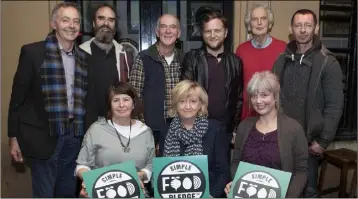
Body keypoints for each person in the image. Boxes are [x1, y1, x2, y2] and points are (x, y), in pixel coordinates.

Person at [8, 2, 87, 197]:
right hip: (42, 136)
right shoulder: (33, 53)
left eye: (76, 21)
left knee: (67, 191)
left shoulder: (84, 58)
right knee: (44, 193)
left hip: (73, 135)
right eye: (65, 20)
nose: (71, 25)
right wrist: (13, 136)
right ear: (54, 23)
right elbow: (18, 98)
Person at [272, 9, 344, 198]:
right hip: (282, 138)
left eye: (308, 25)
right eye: (298, 25)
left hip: (310, 142)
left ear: (316, 28)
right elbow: (272, 97)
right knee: (281, 188)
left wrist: (323, 140)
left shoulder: (328, 63)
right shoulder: (281, 60)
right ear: (291, 29)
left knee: (308, 190)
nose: (302, 30)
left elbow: (334, 106)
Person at [224, 71, 308, 198]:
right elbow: (236, 162)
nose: (258, 101)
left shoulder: (294, 129)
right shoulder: (244, 126)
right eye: (253, 96)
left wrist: (289, 196)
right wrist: (237, 183)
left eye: (264, 95)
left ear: (275, 97)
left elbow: (301, 171)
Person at [76, 82, 155, 197]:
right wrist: (89, 181)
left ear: (133, 104)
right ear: (110, 105)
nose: (121, 105)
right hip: (101, 193)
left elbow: (151, 165)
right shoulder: (96, 129)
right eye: (116, 100)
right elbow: (82, 166)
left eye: (126, 99)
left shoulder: (146, 132)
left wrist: (141, 175)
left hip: (136, 192)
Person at [181, 10, 243, 149]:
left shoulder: (236, 61)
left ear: (225, 33)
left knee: (222, 171)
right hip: (197, 131)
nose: (213, 35)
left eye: (217, 30)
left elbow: (238, 99)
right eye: (208, 31)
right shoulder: (192, 59)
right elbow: (184, 95)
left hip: (224, 132)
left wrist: (235, 128)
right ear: (203, 34)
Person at [162, 80, 229, 197]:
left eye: (193, 101)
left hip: (208, 194)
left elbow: (223, 172)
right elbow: (162, 171)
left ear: (200, 104)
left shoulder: (215, 129)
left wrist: (212, 195)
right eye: (182, 101)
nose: (187, 106)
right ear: (175, 104)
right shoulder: (166, 131)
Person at [129, 14, 184, 155]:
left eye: (172, 27)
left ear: (179, 33)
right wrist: (143, 128)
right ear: (157, 31)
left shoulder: (185, 59)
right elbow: (134, 95)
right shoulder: (143, 58)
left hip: (178, 128)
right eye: (163, 27)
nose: (167, 31)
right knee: (149, 172)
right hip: (149, 129)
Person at [80, 4, 133, 130]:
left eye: (111, 20)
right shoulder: (80, 53)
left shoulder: (124, 55)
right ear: (94, 23)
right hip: (87, 125)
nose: (106, 23)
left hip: (117, 124)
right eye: (101, 18)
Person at [236, 3, 286, 120]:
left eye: (263, 19)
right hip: (248, 115)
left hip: (275, 117)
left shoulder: (282, 48)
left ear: (269, 24)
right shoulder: (241, 50)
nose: (259, 23)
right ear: (249, 25)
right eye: (254, 19)